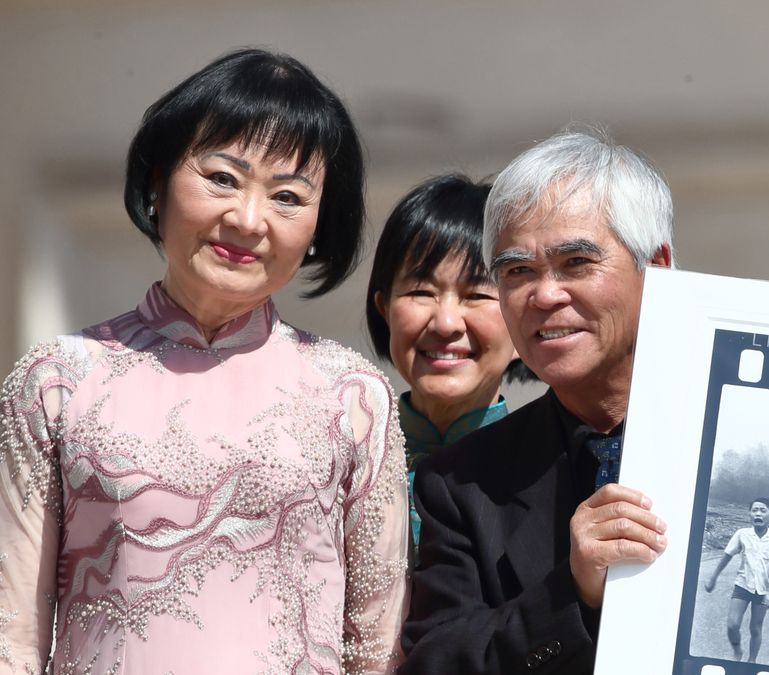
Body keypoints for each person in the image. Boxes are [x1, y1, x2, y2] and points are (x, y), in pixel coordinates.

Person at [0, 49, 408, 673]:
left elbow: (379, 645)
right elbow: (13, 637)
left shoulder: (352, 396)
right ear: (158, 181)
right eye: (222, 177)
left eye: (289, 197)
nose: (247, 219)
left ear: (323, 224)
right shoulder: (57, 380)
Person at [401, 127, 674, 674]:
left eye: (576, 263)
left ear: (658, 267)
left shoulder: (743, 432)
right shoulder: (461, 485)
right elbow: (435, 662)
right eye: (518, 271)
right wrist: (570, 592)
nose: (545, 295)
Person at [366, 174, 529, 549]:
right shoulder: (345, 459)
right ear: (384, 309)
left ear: (524, 324)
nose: (446, 323)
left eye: (475, 295)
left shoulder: (551, 471)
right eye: (421, 292)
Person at [704, 498, 769, 663]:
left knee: (755, 628)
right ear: (750, 514)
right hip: (742, 585)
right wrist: (713, 577)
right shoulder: (742, 534)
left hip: (763, 590)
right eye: (754, 510)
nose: (758, 514)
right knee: (732, 625)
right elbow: (727, 555)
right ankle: (737, 650)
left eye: (763, 510)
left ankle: (752, 661)